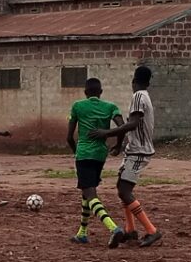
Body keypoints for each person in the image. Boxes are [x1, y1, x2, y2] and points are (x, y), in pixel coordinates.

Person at [91, 66, 162, 247]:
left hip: (139, 150)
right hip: (134, 149)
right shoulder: (144, 96)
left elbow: (133, 124)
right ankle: (130, 230)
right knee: (122, 188)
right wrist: (120, 144)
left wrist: (107, 133)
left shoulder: (138, 96)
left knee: (124, 191)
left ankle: (152, 230)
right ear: (148, 81)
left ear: (133, 81)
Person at [67, 78, 126, 248]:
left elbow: (69, 137)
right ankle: (82, 233)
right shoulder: (110, 107)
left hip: (84, 153)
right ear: (101, 92)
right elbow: (122, 126)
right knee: (87, 191)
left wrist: (76, 152)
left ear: (85, 93)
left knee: (91, 194)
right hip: (100, 155)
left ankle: (113, 228)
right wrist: (118, 145)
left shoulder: (78, 106)